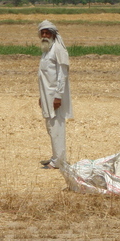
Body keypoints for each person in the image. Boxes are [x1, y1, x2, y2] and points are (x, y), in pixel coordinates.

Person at [37, 20, 73, 169]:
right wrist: (41, 96)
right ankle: (55, 156)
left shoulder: (58, 49)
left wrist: (58, 96)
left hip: (55, 96)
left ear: (53, 34)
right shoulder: (46, 51)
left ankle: (59, 161)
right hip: (46, 95)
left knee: (57, 126)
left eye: (47, 33)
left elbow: (62, 75)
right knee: (51, 127)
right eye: (42, 33)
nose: (44, 35)